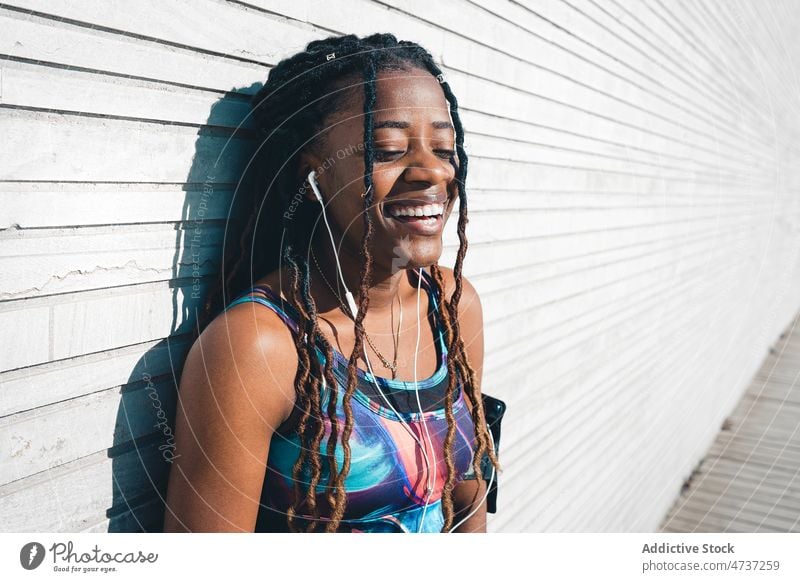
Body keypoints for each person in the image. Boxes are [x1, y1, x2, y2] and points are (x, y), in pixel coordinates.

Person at [163, 32, 500, 533]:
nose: (431, 171)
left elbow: (467, 498)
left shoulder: (452, 307)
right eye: (388, 149)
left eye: (445, 148)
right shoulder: (262, 347)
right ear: (312, 172)